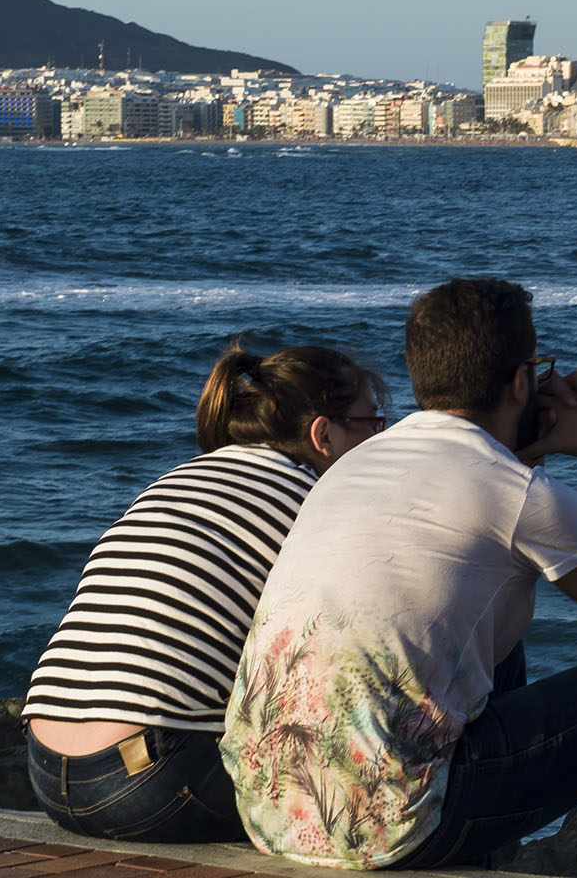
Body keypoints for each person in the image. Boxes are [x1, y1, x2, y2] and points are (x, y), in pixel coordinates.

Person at [221, 278, 577, 875]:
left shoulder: (355, 463)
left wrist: (518, 443)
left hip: (271, 810)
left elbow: (467, 504)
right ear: (522, 380)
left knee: (492, 641)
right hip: (390, 828)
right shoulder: (520, 496)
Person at [22, 342, 387, 842]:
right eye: (373, 425)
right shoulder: (316, 501)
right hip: (148, 781)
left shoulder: (177, 479)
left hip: (45, 769)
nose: (381, 441)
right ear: (323, 434)